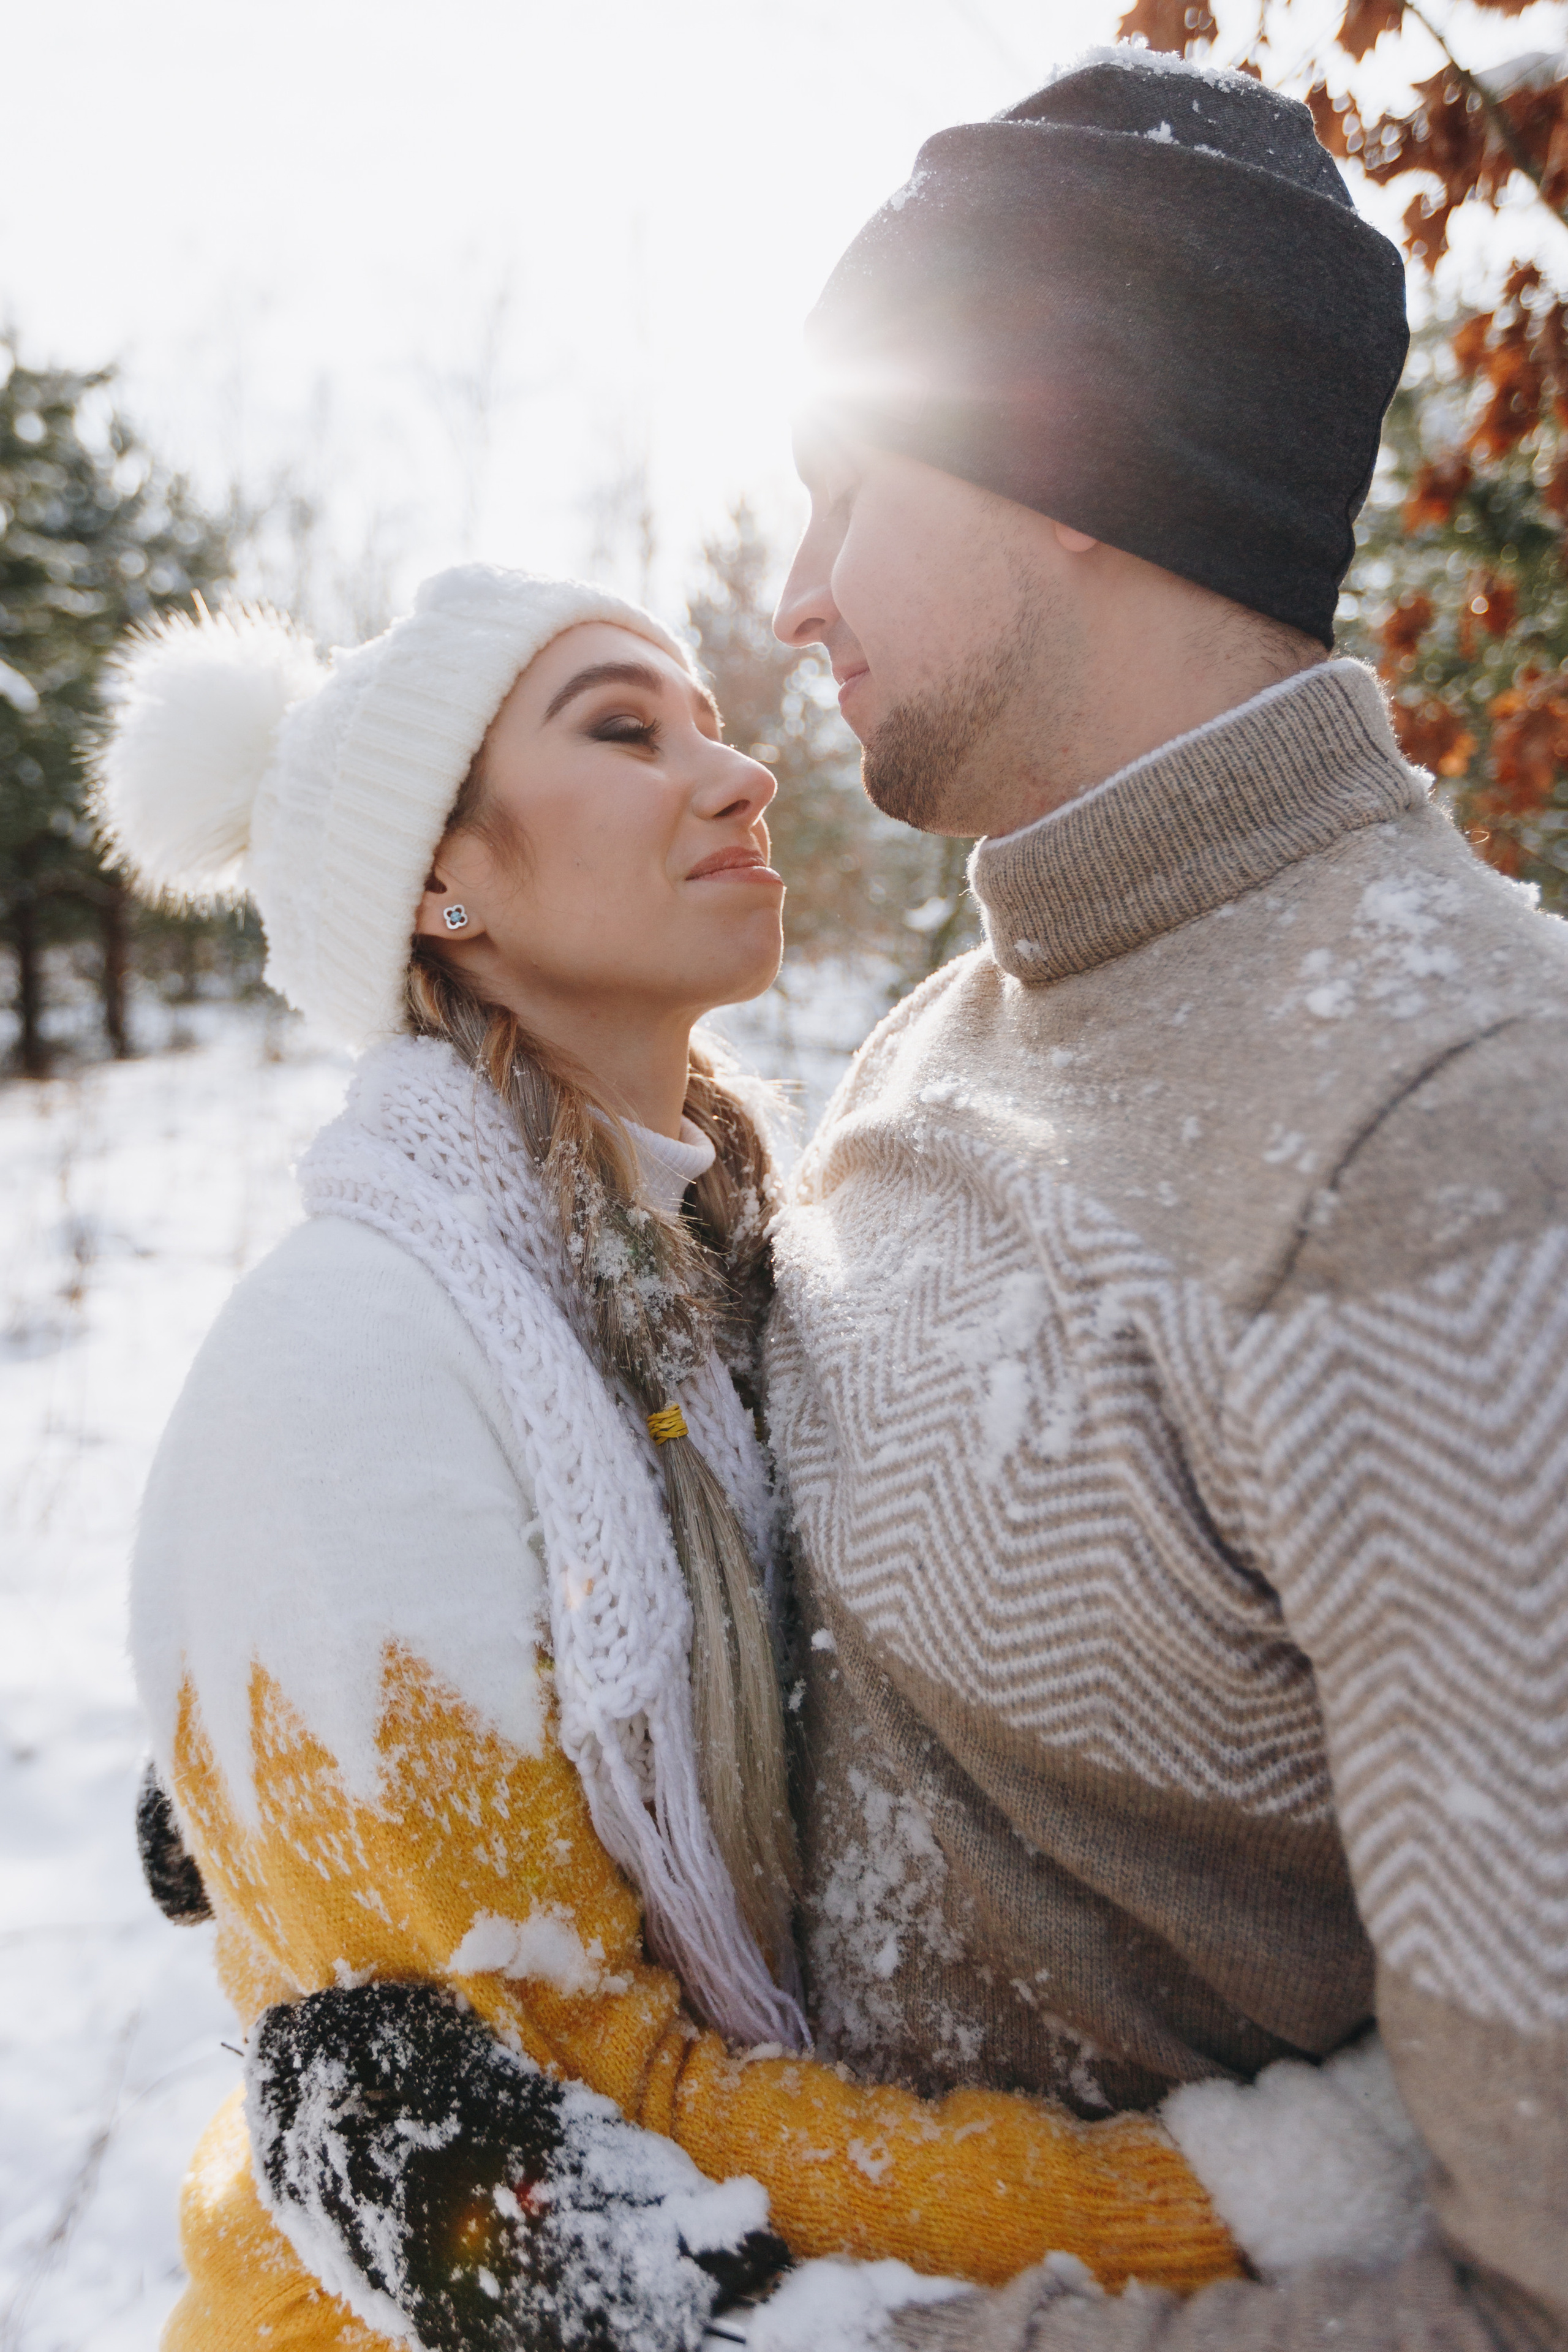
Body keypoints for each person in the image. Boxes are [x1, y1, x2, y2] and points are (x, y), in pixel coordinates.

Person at [98, 565, 1244, 2352]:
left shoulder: (710, 1280)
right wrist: (1224, 2198)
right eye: (626, 730)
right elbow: (595, 2128)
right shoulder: (352, 1374)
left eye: (713, 723)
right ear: (436, 883)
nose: (740, 775)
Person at [763, 42, 1567, 2352]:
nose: (796, 597)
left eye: (840, 491)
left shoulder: (1457, 1142)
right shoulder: (953, 1024)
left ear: (1070, 444)